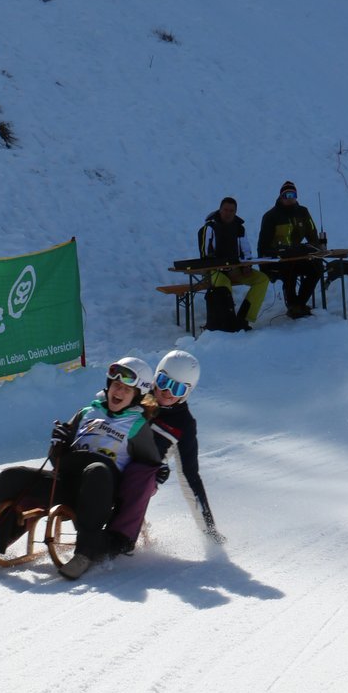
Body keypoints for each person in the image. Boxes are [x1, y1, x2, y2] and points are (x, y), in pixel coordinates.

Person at [0, 356, 160, 581]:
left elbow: (144, 473)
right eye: (116, 385)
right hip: (65, 483)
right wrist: (58, 444)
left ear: (137, 395)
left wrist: (155, 474)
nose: (118, 391)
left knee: (97, 470)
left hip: (99, 492)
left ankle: (85, 553)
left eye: (126, 389)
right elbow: (57, 459)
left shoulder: (138, 426)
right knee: (9, 476)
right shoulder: (88, 412)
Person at [106, 349, 222, 553]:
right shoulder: (138, 395)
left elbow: (190, 478)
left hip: (140, 478)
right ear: (155, 377)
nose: (167, 392)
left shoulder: (183, 424)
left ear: (187, 392)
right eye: (163, 381)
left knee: (135, 480)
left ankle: (122, 533)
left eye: (177, 388)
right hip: (108, 459)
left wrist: (210, 531)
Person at [198, 196, 270, 331]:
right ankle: (228, 322)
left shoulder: (239, 228)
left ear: (235, 212)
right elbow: (205, 254)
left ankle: (244, 318)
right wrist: (221, 266)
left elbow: (246, 251)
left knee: (262, 280)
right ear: (220, 210)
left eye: (231, 210)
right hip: (214, 271)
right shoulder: (210, 228)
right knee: (224, 285)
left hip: (236, 270)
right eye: (225, 210)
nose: (228, 213)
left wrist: (247, 265)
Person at [257, 180, 324, 319]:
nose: (290, 198)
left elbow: (312, 236)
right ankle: (293, 305)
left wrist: (316, 247)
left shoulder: (303, 212)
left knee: (317, 267)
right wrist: (264, 266)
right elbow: (263, 245)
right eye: (287, 195)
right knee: (289, 268)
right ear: (281, 196)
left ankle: (299, 303)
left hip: (298, 256)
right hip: (278, 260)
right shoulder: (271, 216)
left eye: (293, 195)